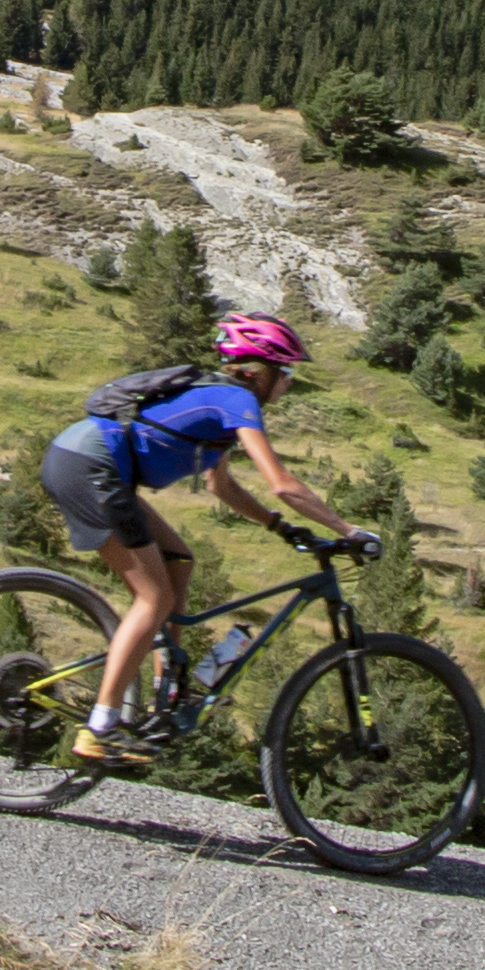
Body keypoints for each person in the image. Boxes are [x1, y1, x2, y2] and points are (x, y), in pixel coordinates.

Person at [34, 313, 373, 765]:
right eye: (286, 373)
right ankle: (101, 727)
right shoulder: (236, 400)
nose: (289, 384)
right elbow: (282, 483)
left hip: (87, 461)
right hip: (91, 466)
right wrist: (349, 532)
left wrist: (281, 528)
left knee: (179, 560)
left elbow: (223, 486)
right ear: (257, 373)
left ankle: (166, 690)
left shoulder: (221, 400)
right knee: (152, 599)